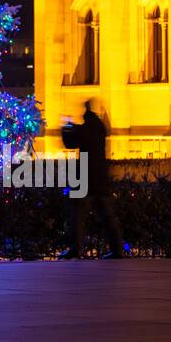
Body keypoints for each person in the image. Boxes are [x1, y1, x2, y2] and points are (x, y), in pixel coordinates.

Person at [60, 100, 124, 259]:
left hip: (86, 179)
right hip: (100, 179)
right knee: (107, 217)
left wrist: (66, 126)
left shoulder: (88, 129)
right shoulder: (99, 128)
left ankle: (76, 248)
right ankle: (117, 249)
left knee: (77, 215)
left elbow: (70, 142)